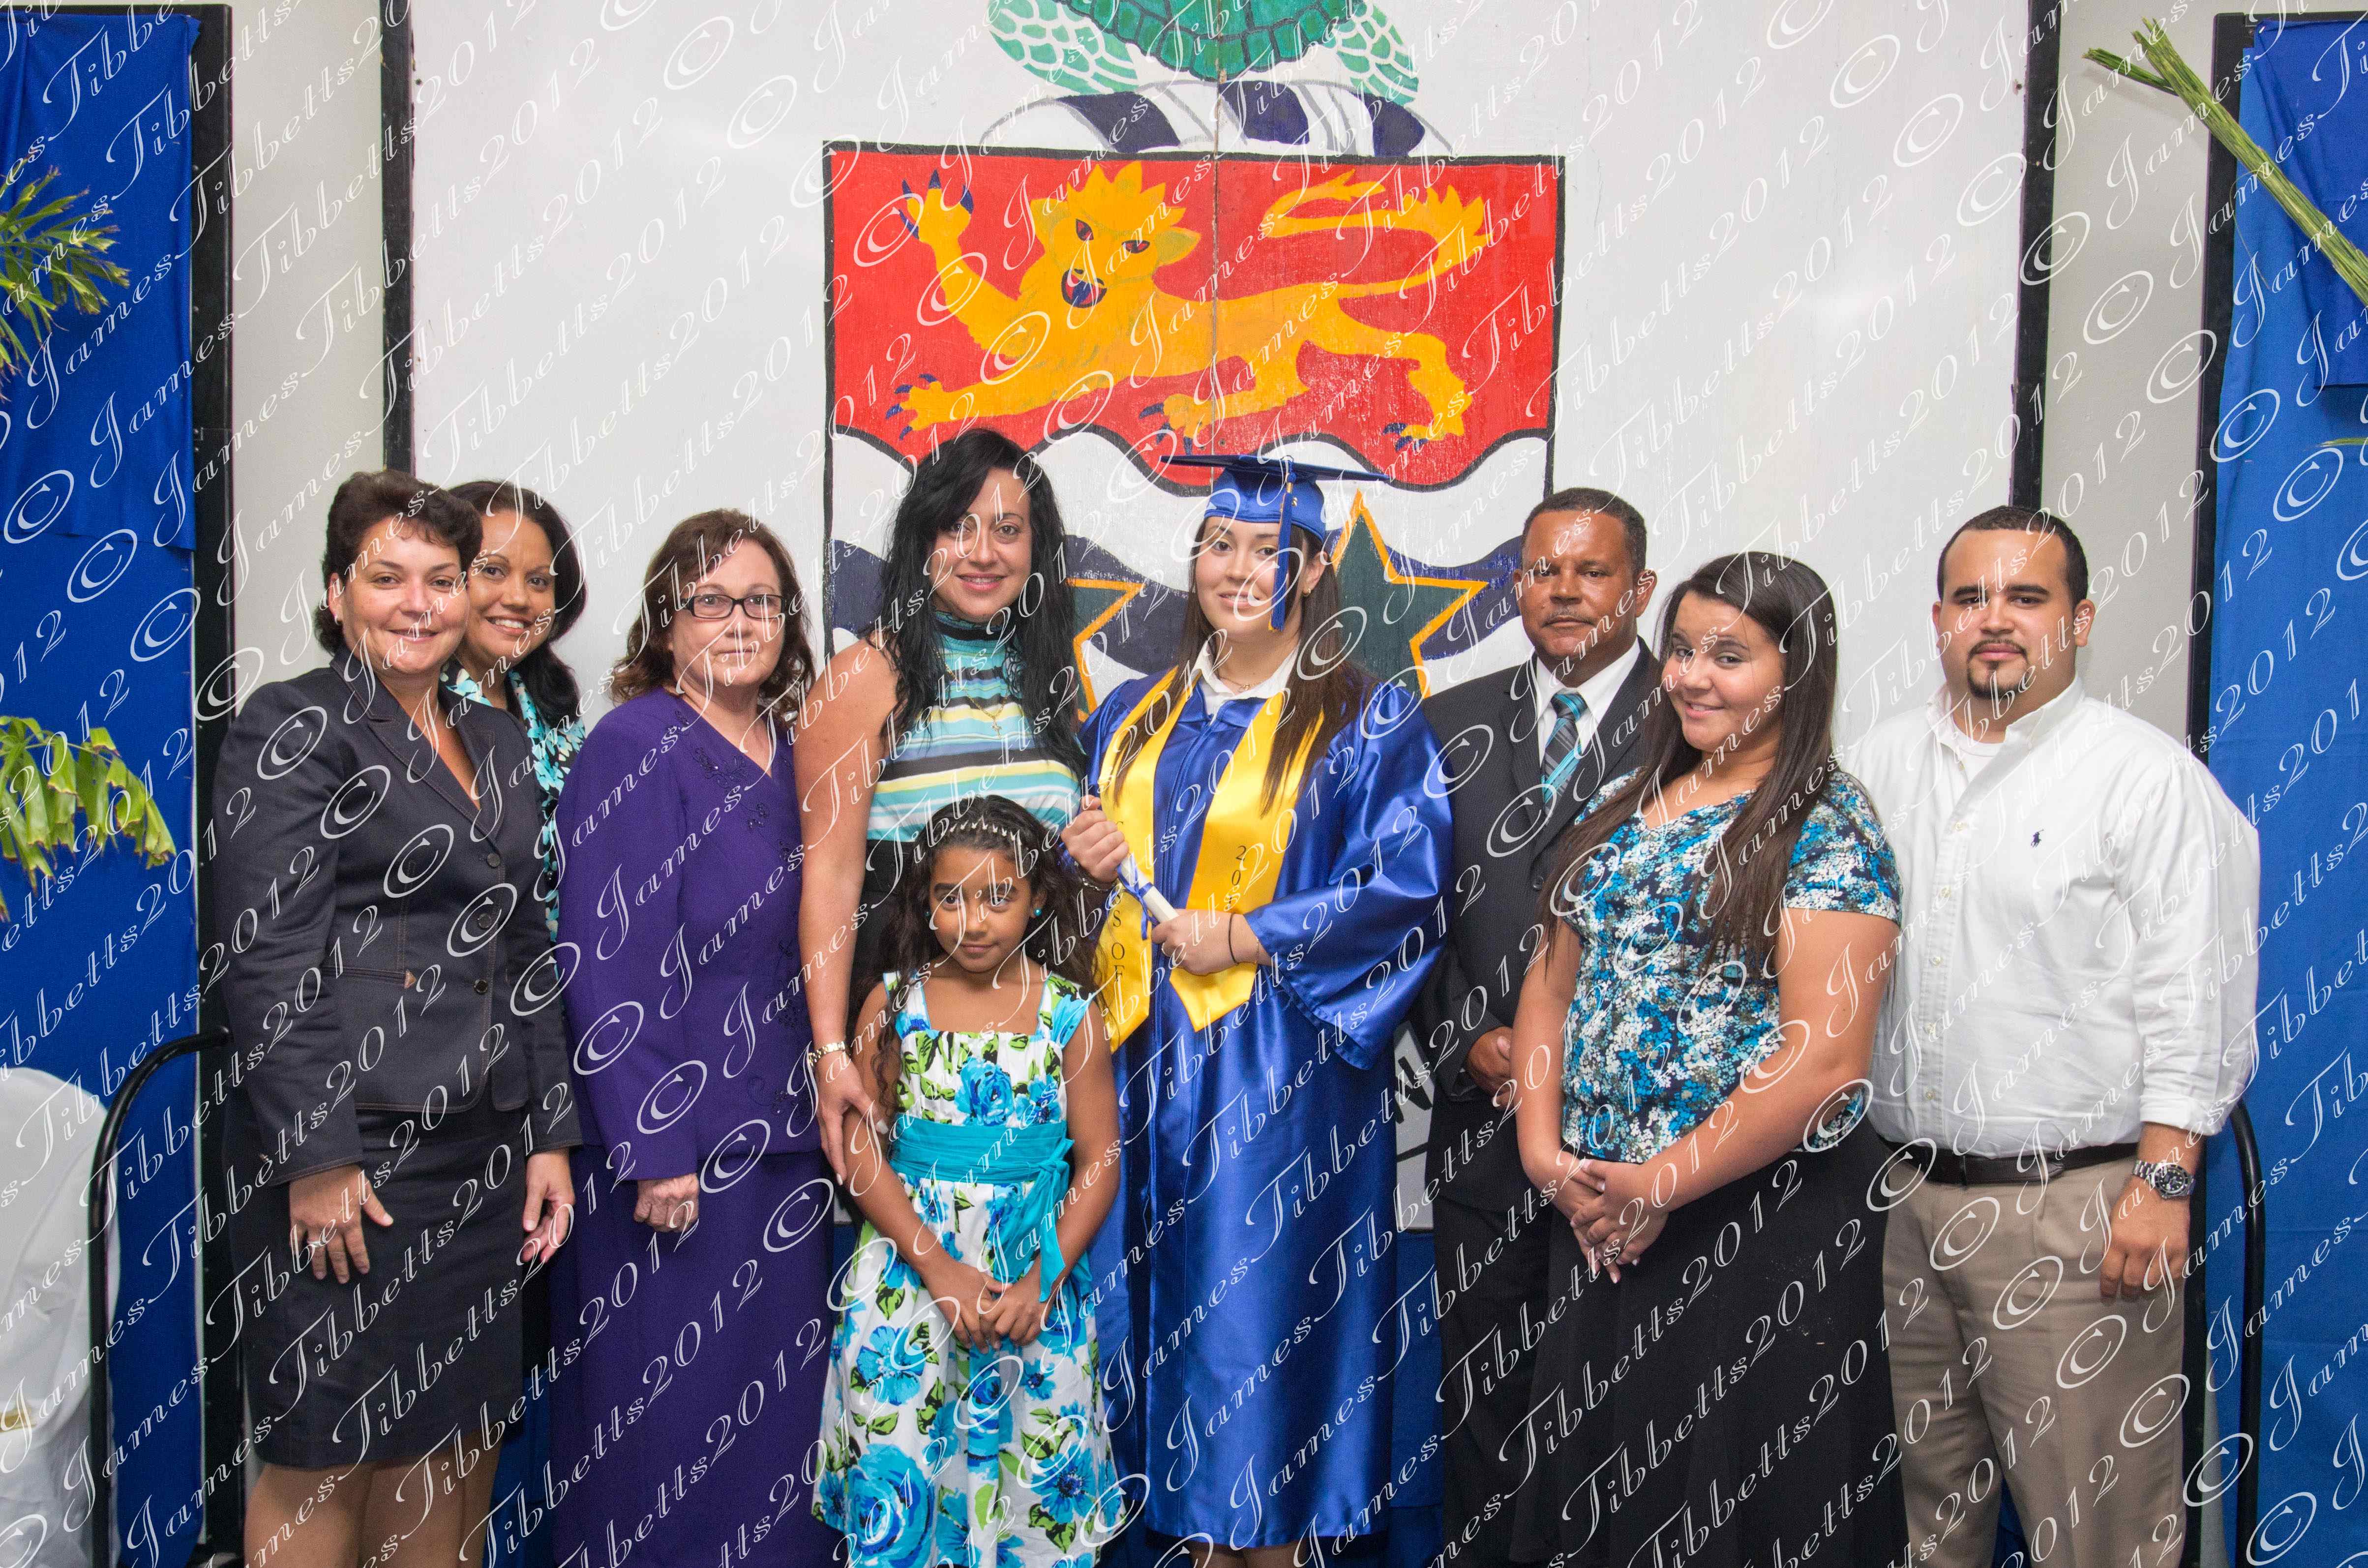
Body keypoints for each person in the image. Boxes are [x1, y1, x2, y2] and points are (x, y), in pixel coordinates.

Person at [1849, 507, 2259, 1568]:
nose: (1995, 619)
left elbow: (2197, 989)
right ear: (1937, 619)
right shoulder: (1873, 767)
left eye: (2026, 597)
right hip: (1902, 1205)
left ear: (2079, 620)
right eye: (1971, 597)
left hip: (2079, 1216)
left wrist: (2163, 1182)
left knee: (2097, 1535)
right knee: (1923, 1530)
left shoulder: (2143, 778)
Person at [1062, 452, 1450, 1565]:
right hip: (1137, 1062)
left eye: (1269, 551)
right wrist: (1083, 860)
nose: (1237, 569)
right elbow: (1095, 894)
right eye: (1218, 544)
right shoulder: (1135, 712)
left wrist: (1246, 933)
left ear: (1314, 569)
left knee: (1256, 1353)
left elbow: (1407, 887)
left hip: (1278, 1074)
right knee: (1140, 1341)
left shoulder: (1363, 718)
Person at [1508, 551, 1908, 1568]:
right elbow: (1549, 990)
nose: (1691, 675)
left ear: (1794, 670)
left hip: (1751, 1225)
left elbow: (1825, 1059)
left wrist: (1662, 1182)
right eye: (1682, 649)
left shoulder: (1827, 821)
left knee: (1735, 1515)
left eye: (1729, 655)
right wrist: (1548, 1160)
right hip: (1602, 1222)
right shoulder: (1625, 802)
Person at [212, 470, 578, 1568]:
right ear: (338, 594)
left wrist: (548, 1131)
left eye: (442, 579)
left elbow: (524, 944)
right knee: (328, 1453)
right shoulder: (295, 723)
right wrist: (317, 1156)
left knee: (453, 1446)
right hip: (356, 1161)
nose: (418, 603)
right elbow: (268, 957)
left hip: (481, 1152)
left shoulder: (496, 739)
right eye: (387, 578)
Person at [547, 510, 836, 1567]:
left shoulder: (799, 753)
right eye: (709, 601)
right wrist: (656, 1145)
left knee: (775, 1445)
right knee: (665, 1440)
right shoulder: (633, 745)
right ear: (666, 622)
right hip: (677, 1162)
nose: (739, 621)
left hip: (786, 1150)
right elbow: (606, 960)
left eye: (760, 600)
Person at [1407, 487, 1661, 1564]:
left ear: (1640, 589)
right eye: (1543, 570)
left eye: (1591, 572)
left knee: (1627, 1426)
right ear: (1515, 584)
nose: (1564, 591)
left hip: (1636, 1155)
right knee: (1485, 1426)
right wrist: (1468, 1039)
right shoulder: (1447, 722)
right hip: (1484, 1144)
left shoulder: (1697, 721)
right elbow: (1408, 917)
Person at [816, 797, 1124, 1566]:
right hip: (909, 1281)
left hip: (1032, 1287)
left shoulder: (1068, 1014)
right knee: (911, 1484)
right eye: (949, 898)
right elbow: (861, 1152)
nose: (973, 921)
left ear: (1037, 897)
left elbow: (1099, 1159)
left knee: (1031, 1501)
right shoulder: (894, 1003)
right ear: (924, 902)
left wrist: (1040, 1281)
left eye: (998, 897)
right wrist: (939, 1270)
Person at [799, 430, 1085, 1183]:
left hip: (1038, 1057)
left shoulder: (1045, 677)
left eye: (1008, 529)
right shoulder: (865, 676)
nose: (982, 553)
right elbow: (829, 877)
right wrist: (830, 1051)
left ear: (1036, 548)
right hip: (910, 1046)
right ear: (923, 541)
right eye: (959, 527)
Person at [445, 479, 590, 936]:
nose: (519, 598)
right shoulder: (412, 707)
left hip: (559, 971)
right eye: (492, 571)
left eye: (539, 581)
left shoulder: (555, 711)